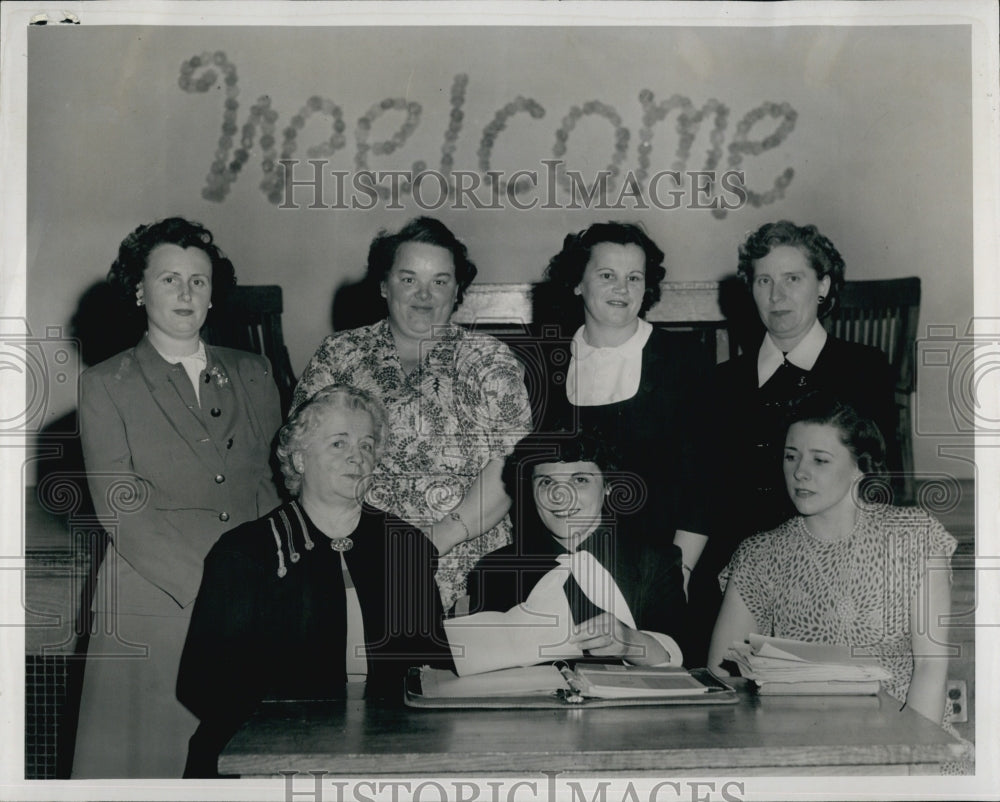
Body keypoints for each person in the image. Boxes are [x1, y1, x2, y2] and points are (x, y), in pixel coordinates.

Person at [73, 217, 282, 777]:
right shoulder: (104, 383)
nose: (186, 293)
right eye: (169, 279)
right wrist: (219, 595)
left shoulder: (255, 372)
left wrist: (269, 585)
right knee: (154, 767)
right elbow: (123, 510)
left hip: (247, 601)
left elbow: (268, 487)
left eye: (199, 280)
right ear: (139, 290)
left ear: (214, 293)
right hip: (157, 605)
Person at [178, 385, 452, 777]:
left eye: (367, 445)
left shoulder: (405, 546)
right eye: (339, 444)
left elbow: (433, 670)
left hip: (389, 751)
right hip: (266, 756)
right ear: (300, 459)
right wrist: (298, 746)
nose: (357, 457)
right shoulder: (246, 552)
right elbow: (202, 681)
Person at [293, 217, 532, 611]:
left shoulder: (489, 359)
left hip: (465, 567)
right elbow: (304, 458)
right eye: (408, 279)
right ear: (384, 285)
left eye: (440, 281)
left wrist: (432, 542)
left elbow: (512, 468)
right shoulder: (339, 354)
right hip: (351, 558)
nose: (424, 294)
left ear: (457, 291)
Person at [689, 220, 898, 666]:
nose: (777, 295)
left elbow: (879, 485)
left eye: (793, 279)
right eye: (764, 281)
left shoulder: (863, 370)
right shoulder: (720, 384)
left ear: (822, 286)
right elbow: (701, 494)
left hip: (830, 567)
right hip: (733, 576)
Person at [708, 395, 954, 724]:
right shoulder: (760, 554)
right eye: (790, 457)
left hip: (905, 733)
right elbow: (722, 674)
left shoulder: (913, 537)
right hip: (797, 740)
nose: (800, 473)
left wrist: (910, 758)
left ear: (859, 468)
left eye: (820, 460)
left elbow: (930, 667)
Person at [531, 222, 714, 598]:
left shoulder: (684, 360)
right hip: (565, 569)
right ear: (578, 282)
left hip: (657, 572)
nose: (622, 289)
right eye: (607, 275)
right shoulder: (548, 365)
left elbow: (704, 486)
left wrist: (677, 573)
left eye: (634, 277)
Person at [467, 432, 688, 666]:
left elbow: (684, 660)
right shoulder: (496, 570)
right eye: (546, 482)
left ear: (608, 485)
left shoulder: (655, 561)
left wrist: (629, 642)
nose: (561, 497)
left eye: (579, 480)